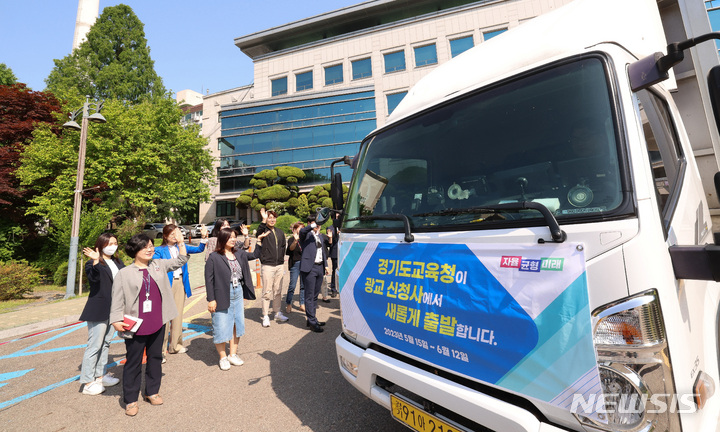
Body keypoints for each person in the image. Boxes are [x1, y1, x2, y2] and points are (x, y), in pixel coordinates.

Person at [110, 230, 188, 417]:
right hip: (136, 324)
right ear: (135, 250)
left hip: (158, 320)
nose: (149, 249)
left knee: (155, 358)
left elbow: (181, 260)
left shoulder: (158, 264)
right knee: (133, 362)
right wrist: (115, 319)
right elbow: (117, 299)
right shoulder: (124, 273)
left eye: (151, 246)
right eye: (145, 247)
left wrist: (181, 242)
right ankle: (130, 400)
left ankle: (151, 391)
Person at [205, 226, 269, 370]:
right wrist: (211, 299)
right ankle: (222, 357)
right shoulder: (214, 257)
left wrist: (258, 241)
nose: (234, 239)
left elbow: (254, 255)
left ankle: (232, 354)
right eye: (230, 237)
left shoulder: (239, 253)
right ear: (222, 239)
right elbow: (209, 280)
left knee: (237, 324)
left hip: (237, 291)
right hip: (222, 292)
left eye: (235, 237)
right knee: (221, 325)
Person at [78, 232, 125, 395]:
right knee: (94, 345)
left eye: (115, 243)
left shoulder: (118, 262)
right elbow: (94, 280)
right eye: (109, 243)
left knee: (105, 343)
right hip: (98, 309)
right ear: (101, 245)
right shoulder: (93, 263)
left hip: (114, 309)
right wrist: (96, 260)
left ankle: (100, 375)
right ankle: (87, 382)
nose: (113, 246)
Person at [153, 223, 208, 360]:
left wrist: (203, 237)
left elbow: (199, 249)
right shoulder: (159, 250)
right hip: (166, 283)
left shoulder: (181, 246)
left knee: (177, 314)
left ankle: (175, 345)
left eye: (177, 233)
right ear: (165, 236)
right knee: (164, 317)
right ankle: (160, 350)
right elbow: (157, 265)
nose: (176, 237)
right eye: (173, 234)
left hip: (180, 282)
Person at [255, 208, 289, 327]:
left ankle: (277, 312)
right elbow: (258, 234)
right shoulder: (263, 230)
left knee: (278, 291)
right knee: (267, 292)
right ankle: (265, 315)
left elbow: (283, 247)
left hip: (279, 265)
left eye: (273, 217)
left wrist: (281, 261)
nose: (272, 219)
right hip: (267, 265)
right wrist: (263, 220)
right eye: (270, 217)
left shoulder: (279, 232)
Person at [299, 214, 329, 333]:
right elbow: (302, 231)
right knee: (309, 295)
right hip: (309, 268)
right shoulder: (305, 235)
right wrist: (313, 225)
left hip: (319, 267)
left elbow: (323, 252)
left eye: (318, 224)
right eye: (314, 224)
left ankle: (312, 319)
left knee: (315, 295)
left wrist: (325, 265)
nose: (317, 227)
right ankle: (312, 322)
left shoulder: (320, 237)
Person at [285, 222, 305, 313]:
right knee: (292, 285)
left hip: (305, 263)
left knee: (303, 285)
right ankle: (289, 303)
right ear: (295, 229)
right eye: (300, 228)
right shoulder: (291, 239)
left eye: (303, 228)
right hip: (295, 264)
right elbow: (291, 249)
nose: (301, 229)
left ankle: (302, 304)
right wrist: (295, 241)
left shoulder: (305, 239)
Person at [325, 224, 339, 297]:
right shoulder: (330, 228)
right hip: (335, 252)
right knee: (335, 270)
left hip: (345, 251)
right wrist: (336, 234)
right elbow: (329, 242)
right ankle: (333, 289)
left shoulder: (344, 225)